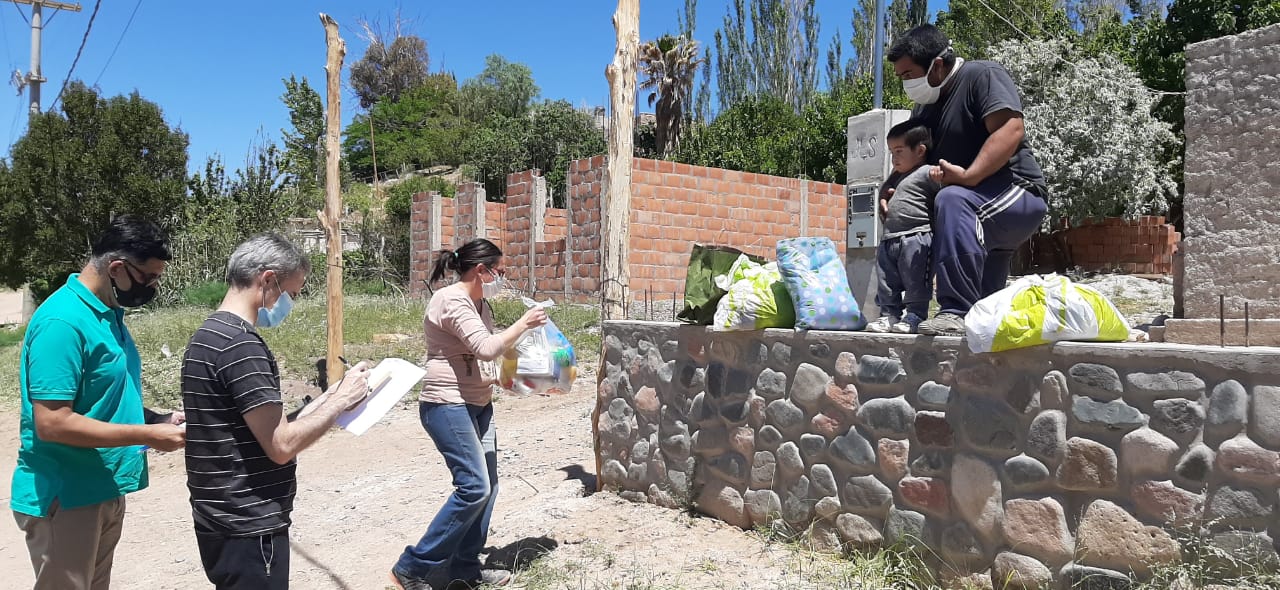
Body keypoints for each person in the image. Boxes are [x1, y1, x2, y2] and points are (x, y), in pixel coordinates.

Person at [181, 233, 371, 589]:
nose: (290, 304)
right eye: (292, 294)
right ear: (268, 280)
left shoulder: (207, 335)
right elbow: (281, 445)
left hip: (218, 516)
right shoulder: (242, 346)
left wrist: (333, 397)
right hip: (249, 525)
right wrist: (342, 403)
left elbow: (258, 426)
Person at [11, 215, 187, 590]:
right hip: (67, 495)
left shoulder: (108, 315)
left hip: (101, 487)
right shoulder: (62, 322)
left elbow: (105, 397)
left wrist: (159, 419)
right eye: (148, 278)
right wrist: (145, 435)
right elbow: (52, 422)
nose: (152, 287)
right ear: (118, 269)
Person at [390, 238, 548, 590]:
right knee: (474, 487)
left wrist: (513, 379)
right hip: (447, 404)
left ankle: (465, 569)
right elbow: (487, 347)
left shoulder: (480, 304)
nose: (502, 278)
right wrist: (524, 323)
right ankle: (412, 566)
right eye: (500, 271)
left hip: (478, 403)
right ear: (482, 270)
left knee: (487, 488)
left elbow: (485, 356)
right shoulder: (451, 300)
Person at [887, 24, 1049, 336]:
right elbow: (914, 156)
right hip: (976, 211)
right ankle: (977, 328)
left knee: (951, 199)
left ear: (937, 64)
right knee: (987, 316)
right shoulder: (925, 105)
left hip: (1017, 193)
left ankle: (954, 310)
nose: (905, 83)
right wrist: (890, 189)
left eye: (908, 74)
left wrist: (970, 176)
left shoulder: (981, 76)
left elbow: (1011, 130)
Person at [866, 119, 940, 334]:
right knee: (887, 281)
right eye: (891, 152)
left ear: (920, 151)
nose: (894, 158)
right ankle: (889, 315)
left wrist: (941, 179)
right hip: (889, 239)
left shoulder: (927, 172)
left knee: (916, 279)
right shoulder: (896, 178)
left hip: (916, 237)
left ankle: (915, 315)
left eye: (899, 151)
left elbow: (945, 192)